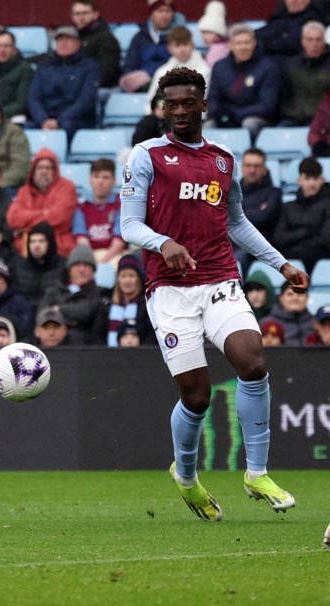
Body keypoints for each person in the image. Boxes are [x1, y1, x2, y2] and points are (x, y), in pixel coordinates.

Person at [121, 66, 310, 522]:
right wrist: (163, 243)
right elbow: (128, 225)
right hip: (168, 290)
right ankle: (186, 477)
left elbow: (236, 221)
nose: (180, 111)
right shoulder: (146, 155)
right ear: (162, 107)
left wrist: (279, 263)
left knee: (253, 360)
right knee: (198, 397)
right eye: (172, 104)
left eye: (188, 102)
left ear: (203, 104)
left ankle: (257, 472)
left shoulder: (223, 160)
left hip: (220, 280)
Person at [205, 24, 280, 140]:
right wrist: (220, 113)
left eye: (247, 43)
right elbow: (213, 99)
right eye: (239, 43)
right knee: (207, 127)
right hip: (225, 117)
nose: (243, 47)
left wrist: (236, 114)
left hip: (255, 118)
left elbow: (267, 106)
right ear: (230, 45)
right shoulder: (220, 66)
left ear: (254, 43)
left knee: (249, 124)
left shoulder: (268, 67)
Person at [25, 26, 100, 140]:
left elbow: (86, 100)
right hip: (45, 119)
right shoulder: (44, 66)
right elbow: (34, 97)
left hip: (76, 121)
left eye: (68, 39)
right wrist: (43, 119)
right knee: (25, 129)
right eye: (60, 40)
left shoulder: (90, 67)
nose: (63, 44)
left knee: (66, 128)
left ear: (78, 43)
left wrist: (59, 121)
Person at [6, 148, 79, 258]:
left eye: (48, 168)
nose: (44, 172)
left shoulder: (67, 187)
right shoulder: (24, 191)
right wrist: (44, 213)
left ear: (55, 171)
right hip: (24, 251)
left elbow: (59, 217)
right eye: (40, 168)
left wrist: (25, 227)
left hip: (59, 249)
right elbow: (13, 218)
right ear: (33, 171)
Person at [38, 244, 110, 344]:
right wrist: (77, 320)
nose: (82, 270)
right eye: (77, 265)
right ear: (69, 269)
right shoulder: (53, 292)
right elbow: (42, 315)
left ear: (93, 270)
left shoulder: (101, 292)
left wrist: (59, 309)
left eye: (86, 265)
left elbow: (86, 312)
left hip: (88, 349)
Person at [271, 157, 330, 273]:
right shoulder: (288, 207)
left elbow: (326, 240)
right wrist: (306, 232)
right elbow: (278, 238)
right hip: (291, 263)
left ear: (322, 180)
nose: (312, 183)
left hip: (318, 262)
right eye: (307, 178)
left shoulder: (328, 205)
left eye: (315, 178)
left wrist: (295, 244)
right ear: (299, 180)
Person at [234, 148, 282, 271]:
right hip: (231, 244)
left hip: (257, 250)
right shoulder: (232, 192)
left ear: (264, 169)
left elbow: (265, 217)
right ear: (242, 167)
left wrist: (238, 214)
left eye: (257, 166)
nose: (252, 170)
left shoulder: (274, 193)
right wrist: (256, 211)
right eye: (248, 165)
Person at [73, 158, 125, 266]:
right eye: (96, 177)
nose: (100, 182)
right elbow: (81, 240)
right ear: (90, 179)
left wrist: (102, 264)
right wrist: (92, 262)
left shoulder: (122, 204)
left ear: (114, 181)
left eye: (105, 177)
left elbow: (119, 242)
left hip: (115, 254)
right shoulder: (81, 208)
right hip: (90, 255)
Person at [146, 26, 210, 109]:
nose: (182, 49)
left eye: (185, 44)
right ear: (169, 49)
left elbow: (205, 102)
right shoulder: (162, 72)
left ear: (192, 45)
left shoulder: (204, 70)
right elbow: (150, 101)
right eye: (177, 45)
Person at [280, 21, 330, 127]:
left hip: (323, 121)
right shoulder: (290, 65)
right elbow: (282, 95)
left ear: (324, 42)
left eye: (318, 40)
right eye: (310, 40)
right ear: (303, 41)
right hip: (292, 118)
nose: (314, 44)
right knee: (279, 131)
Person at [120, 0, 176, 92]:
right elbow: (130, 65)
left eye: (168, 11)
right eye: (160, 11)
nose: (164, 15)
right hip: (143, 83)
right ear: (151, 15)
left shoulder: (180, 36)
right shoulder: (139, 37)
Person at [12, 221, 68, 310]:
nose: (36, 246)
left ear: (50, 243)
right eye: (32, 241)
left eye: (41, 241)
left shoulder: (64, 266)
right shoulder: (17, 266)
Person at [257, 0, 327, 67]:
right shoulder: (279, 17)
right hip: (265, 61)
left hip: (294, 65)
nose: (294, 1)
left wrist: (266, 43)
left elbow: (290, 43)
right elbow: (256, 36)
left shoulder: (313, 20)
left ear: (307, 1)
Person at [71, 0, 122, 89]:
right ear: (72, 17)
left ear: (95, 14)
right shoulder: (72, 37)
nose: (81, 17)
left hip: (97, 88)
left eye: (85, 13)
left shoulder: (106, 38)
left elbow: (106, 73)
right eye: (77, 14)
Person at [107, 254, 154, 346]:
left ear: (138, 279)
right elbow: (98, 334)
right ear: (118, 279)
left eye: (131, 276)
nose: (127, 280)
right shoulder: (106, 302)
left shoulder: (147, 304)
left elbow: (152, 335)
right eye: (123, 276)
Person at [261, 281, 314, 346]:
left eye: (300, 294)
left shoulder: (318, 323)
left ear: (307, 298)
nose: (295, 298)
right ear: (281, 298)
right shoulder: (266, 323)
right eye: (290, 294)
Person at [197, 0, 229, 69]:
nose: (205, 37)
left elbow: (211, 70)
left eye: (209, 33)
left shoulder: (216, 52)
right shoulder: (224, 46)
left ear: (219, 34)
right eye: (203, 33)